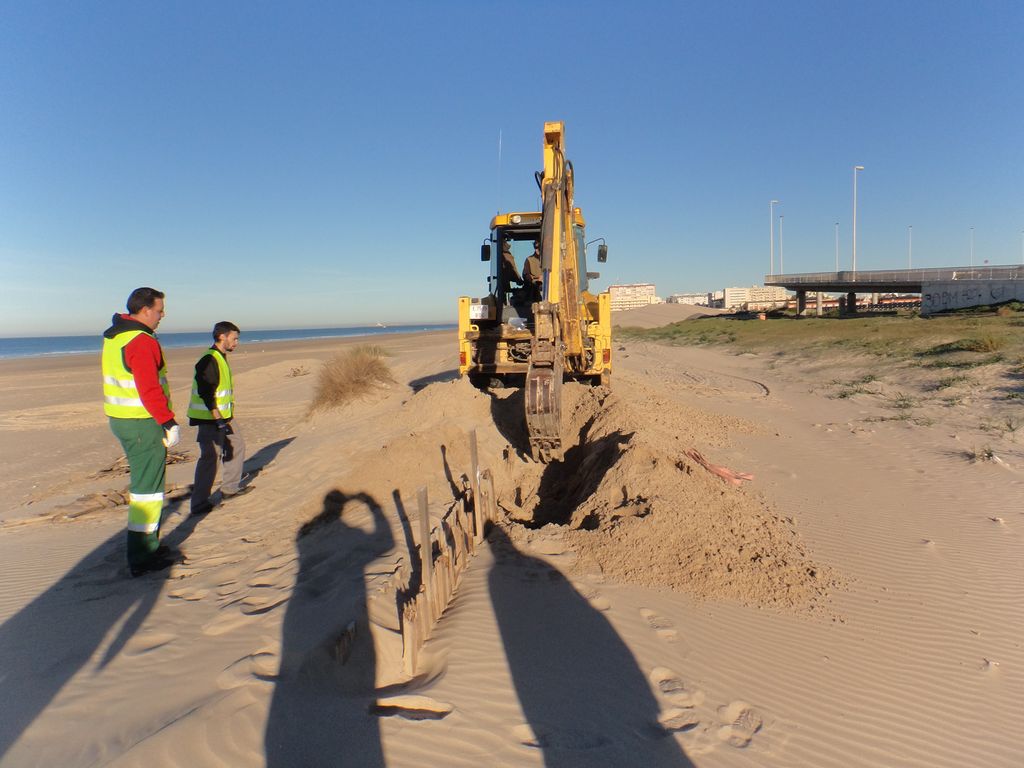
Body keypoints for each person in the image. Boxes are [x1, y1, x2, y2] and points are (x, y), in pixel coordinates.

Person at [102, 287, 182, 577]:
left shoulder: (117, 335)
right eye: (160, 310)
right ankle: (142, 555)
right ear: (145, 309)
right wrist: (168, 421)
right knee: (148, 491)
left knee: (145, 487)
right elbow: (148, 388)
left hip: (122, 419)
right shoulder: (140, 340)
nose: (162, 316)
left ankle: (148, 545)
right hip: (142, 422)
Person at [188, 321, 251, 515]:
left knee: (237, 444)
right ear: (222, 337)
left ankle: (229, 489)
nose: (236, 343)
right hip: (211, 419)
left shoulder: (220, 357)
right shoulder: (209, 359)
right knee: (210, 457)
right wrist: (218, 419)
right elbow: (206, 393)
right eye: (234, 338)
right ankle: (199, 503)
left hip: (224, 416)